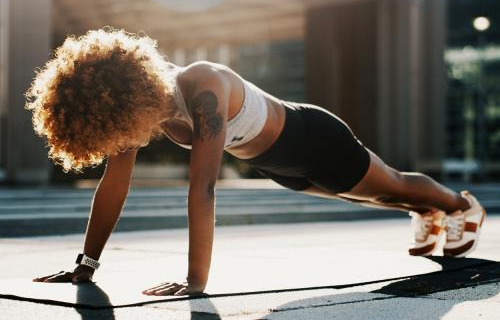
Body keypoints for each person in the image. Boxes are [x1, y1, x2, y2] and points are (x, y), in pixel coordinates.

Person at [27, 29, 486, 296]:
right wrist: (86, 264)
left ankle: (459, 205)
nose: (118, 140)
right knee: (366, 197)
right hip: (275, 164)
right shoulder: (139, 115)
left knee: (391, 183)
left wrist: (194, 282)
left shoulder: (201, 83)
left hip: (313, 139)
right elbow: (113, 186)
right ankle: (425, 211)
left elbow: (202, 189)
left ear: (126, 92)